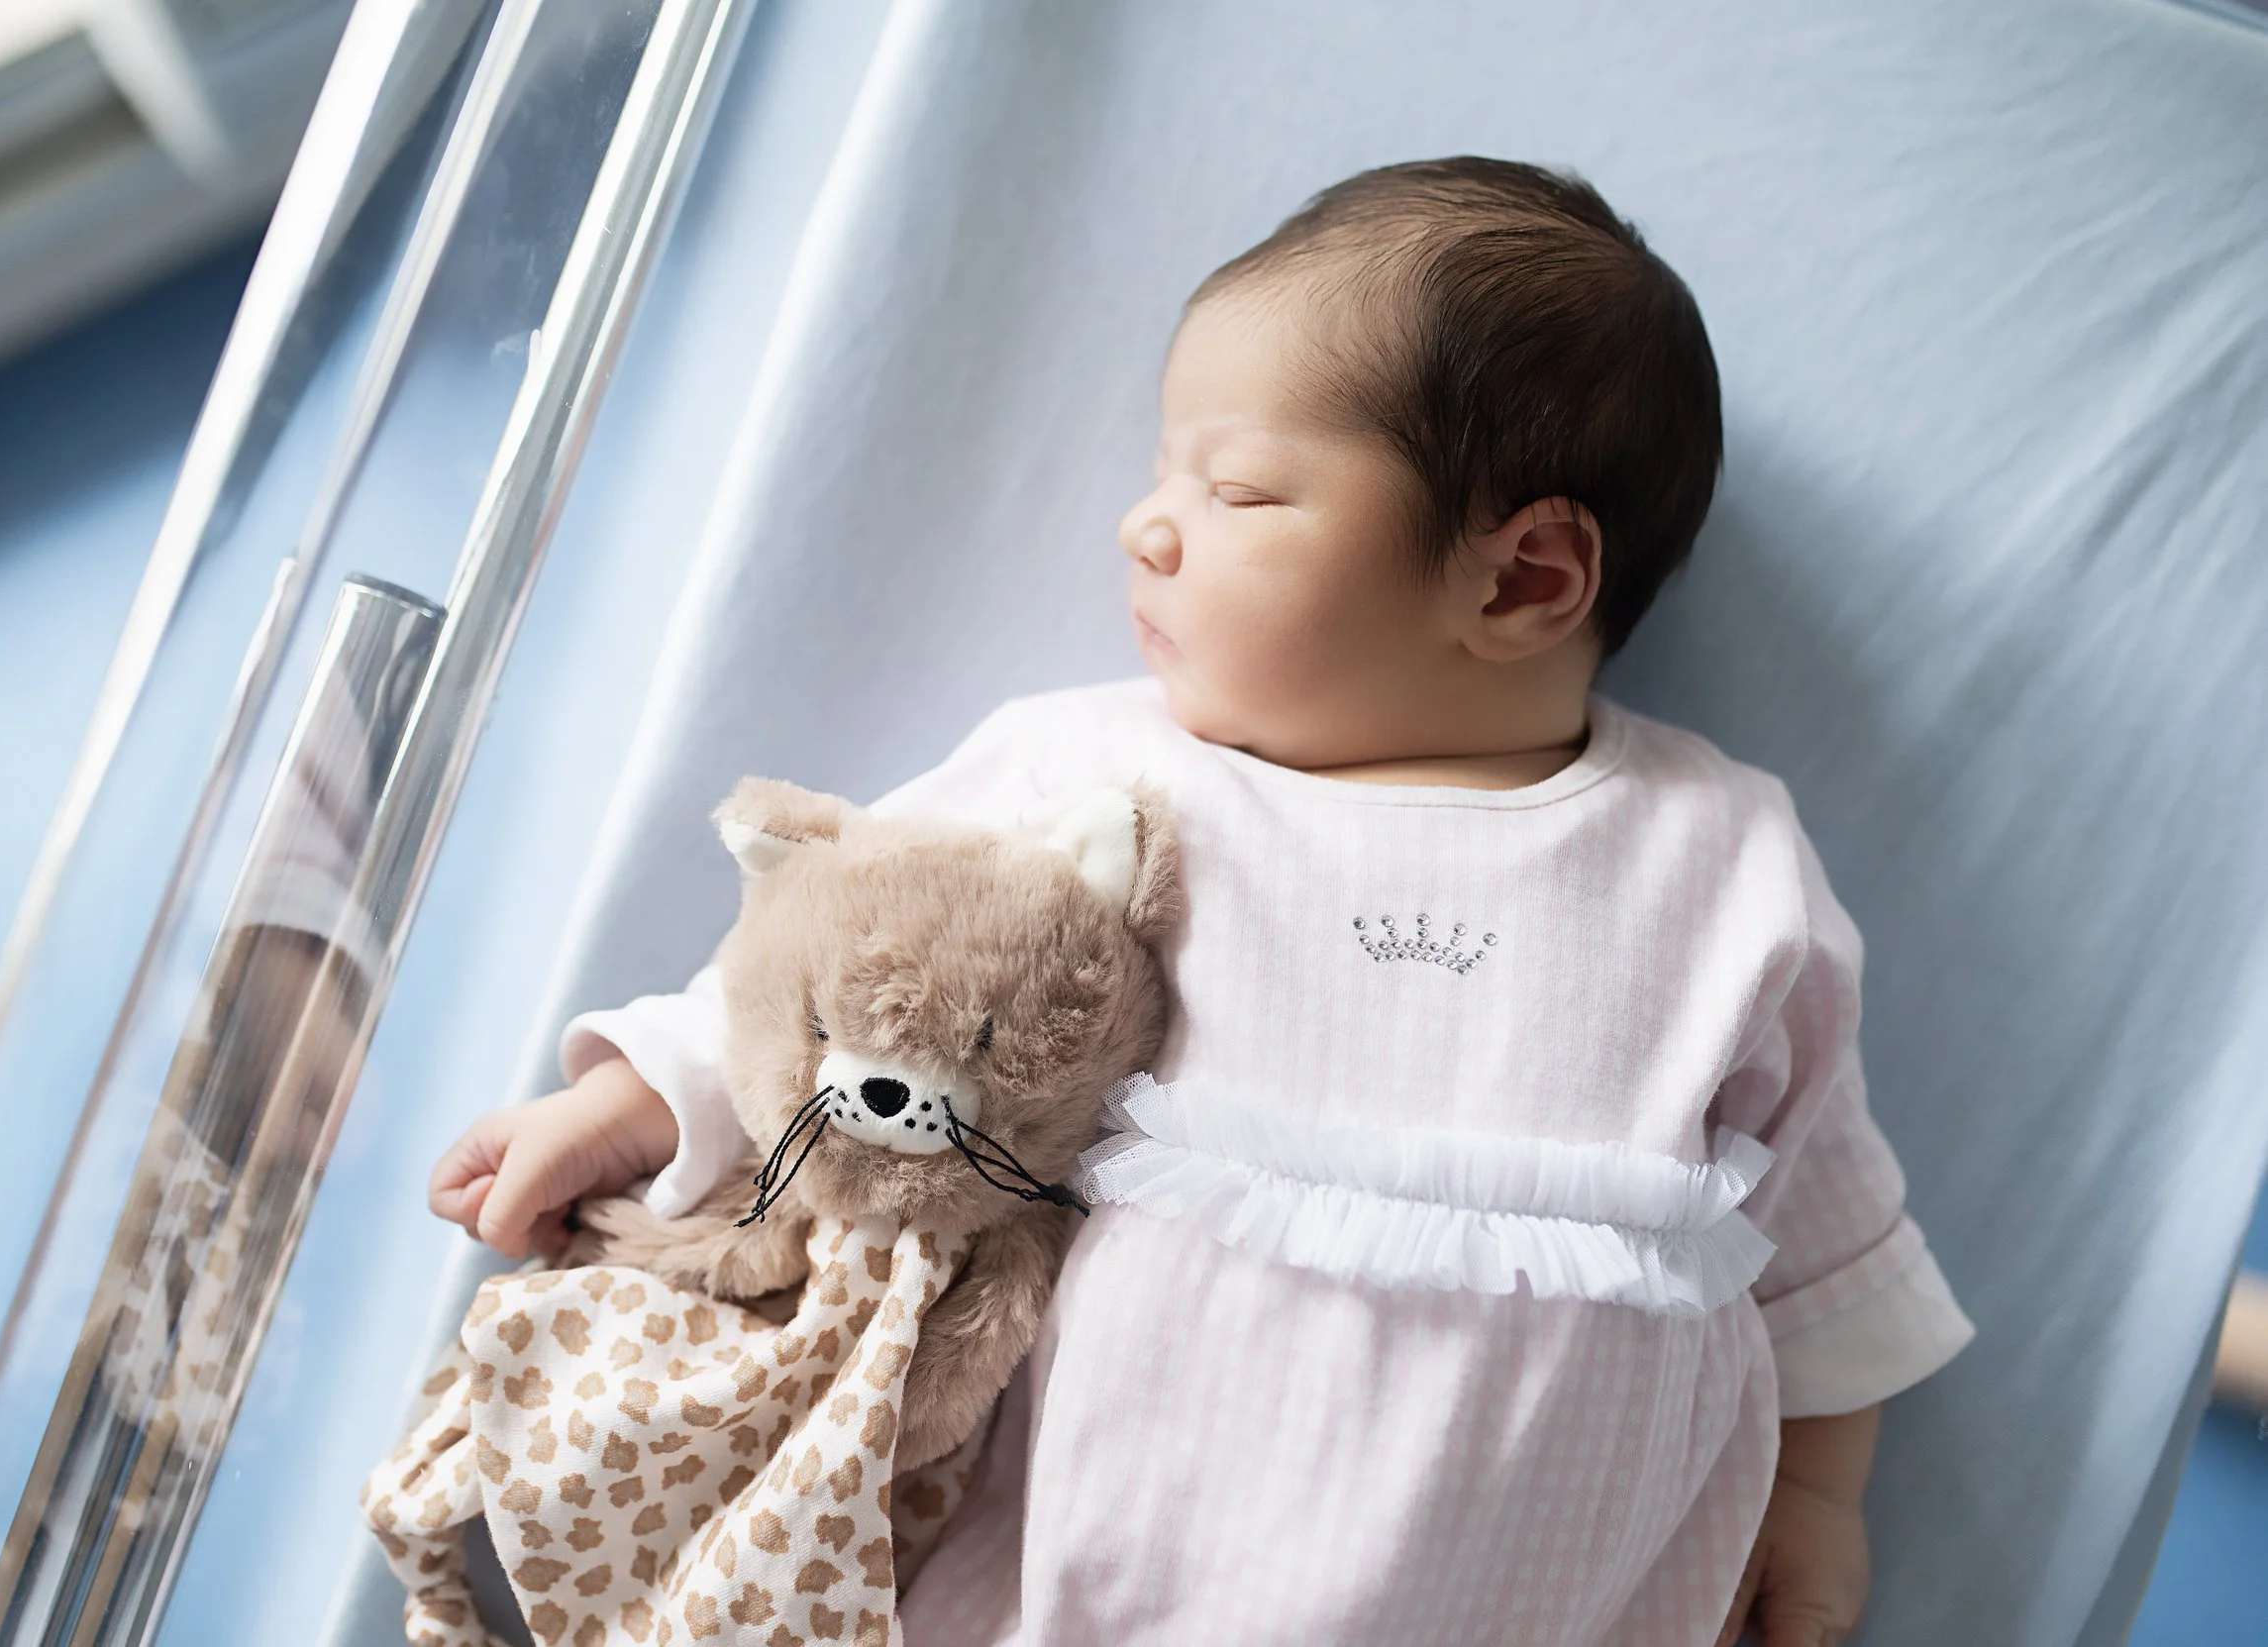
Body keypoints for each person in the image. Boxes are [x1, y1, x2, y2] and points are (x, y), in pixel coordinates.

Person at [426, 157, 1974, 1645]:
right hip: (1118, 1553)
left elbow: (1821, 1216)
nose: (1147, 523)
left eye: (1236, 489)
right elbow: (844, 969)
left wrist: (1820, 1492)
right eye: (1168, 471)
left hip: (1555, 1581)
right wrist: (642, 1102)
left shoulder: (1716, 860)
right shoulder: (1100, 774)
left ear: (1521, 580)